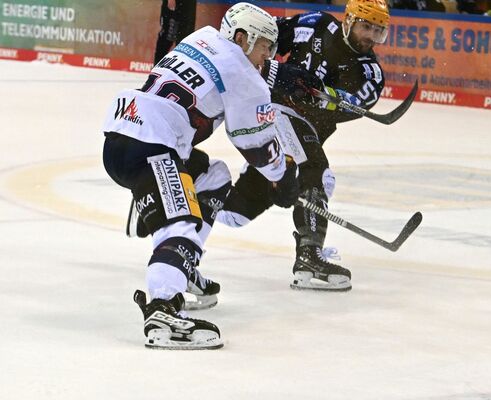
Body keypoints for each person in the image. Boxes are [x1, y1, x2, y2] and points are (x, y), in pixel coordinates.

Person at [102, 2, 302, 349]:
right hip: (153, 146)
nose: (266, 57)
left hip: (124, 135)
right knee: (178, 223)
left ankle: (183, 261)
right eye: (265, 47)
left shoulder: (203, 38)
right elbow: (254, 143)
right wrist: (282, 179)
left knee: (213, 176)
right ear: (242, 38)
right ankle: (163, 308)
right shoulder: (243, 72)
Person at [216, 0, 391, 292]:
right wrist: (276, 73)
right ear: (348, 20)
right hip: (270, 109)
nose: (371, 36)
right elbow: (269, 37)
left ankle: (180, 195)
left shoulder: (370, 74)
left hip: (295, 130)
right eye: (366, 26)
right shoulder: (315, 23)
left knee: (235, 214)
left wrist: (320, 93)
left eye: (378, 30)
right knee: (318, 175)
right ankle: (310, 255)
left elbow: (348, 106)